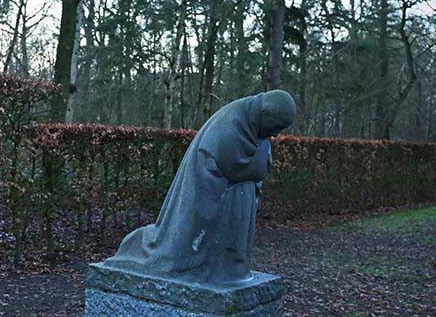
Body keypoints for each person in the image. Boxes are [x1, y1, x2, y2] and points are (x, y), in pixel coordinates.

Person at [103, 90, 296, 285]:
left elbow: (258, 168)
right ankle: (137, 247)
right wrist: (253, 170)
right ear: (264, 114)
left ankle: (227, 270)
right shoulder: (229, 126)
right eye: (277, 126)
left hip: (236, 200)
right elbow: (237, 166)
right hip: (209, 194)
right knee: (181, 249)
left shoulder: (254, 126)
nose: (275, 134)